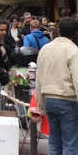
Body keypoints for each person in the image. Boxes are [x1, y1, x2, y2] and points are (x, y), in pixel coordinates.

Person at [33, 17, 78, 155]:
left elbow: (39, 78)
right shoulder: (73, 50)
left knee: (54, 142)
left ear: (58, 30)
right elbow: (77, 78)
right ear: (76, 33)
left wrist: (40, 105)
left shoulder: (45, 49)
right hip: (67, 99)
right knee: (70, 143)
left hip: (49, 98)